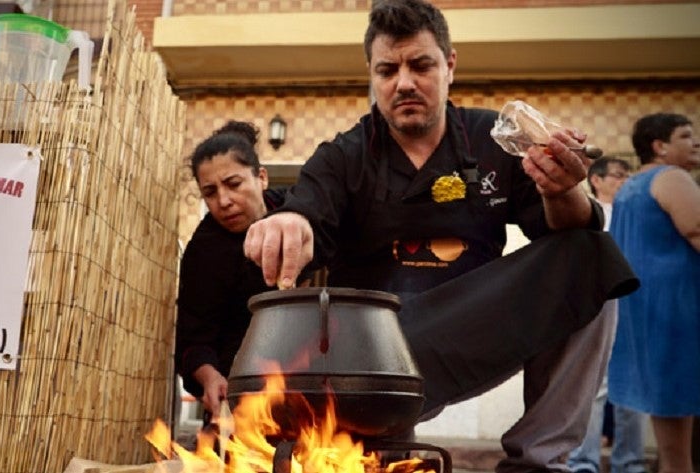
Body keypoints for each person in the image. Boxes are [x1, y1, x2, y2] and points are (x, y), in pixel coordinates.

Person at [242, 1, 639, 472]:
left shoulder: (494, 138)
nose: (404, 82)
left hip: (475, 324)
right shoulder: (343, 156)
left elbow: (569, 227)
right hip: (380, 352)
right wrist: (289, 224)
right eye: (387, 69)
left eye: (421, 64)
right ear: (372, 75)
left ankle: (539, 461)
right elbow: (309, 212)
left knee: (593, 260)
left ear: (450, 65)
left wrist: (562, 189)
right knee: (377, 462)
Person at [175, 120, 309, 421]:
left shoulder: (299, 210)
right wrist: (209, 377)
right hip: (239, 401)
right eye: (210, 192)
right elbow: (194, 339)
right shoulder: (204, 252)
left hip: (314, 387)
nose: (223, 201)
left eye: (233, 184)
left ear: (261, 177)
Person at [608, 113, 700, 473]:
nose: (694, 143)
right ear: (660, 146)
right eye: (685, 136)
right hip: (678, 309)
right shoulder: (672, 177)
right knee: (678, 439)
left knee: (670, 433)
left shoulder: (630, 187)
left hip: (643, 308)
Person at [567, 157, 649, 473]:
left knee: (633, 384)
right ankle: (582, 462)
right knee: (594, 387)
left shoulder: (640, 215)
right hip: (598, 304)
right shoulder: (589, 215)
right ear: (597, 180)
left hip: (636, 305)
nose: (624, 180)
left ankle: (630, 463)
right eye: (618, 175)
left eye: (628, 174)